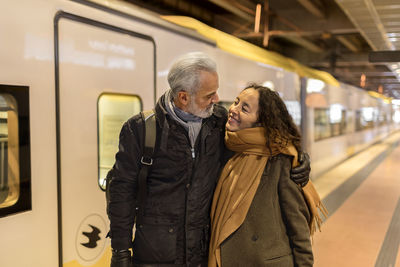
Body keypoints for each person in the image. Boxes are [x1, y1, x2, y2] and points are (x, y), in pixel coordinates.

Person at [108, 52, 311, 267]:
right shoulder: (140, 129)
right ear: (183, 97)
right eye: (209, 95)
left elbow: (261, 141)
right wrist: (120, 252)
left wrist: (297, 158)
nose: (216, 100)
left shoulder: (218, 121)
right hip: (154, 255)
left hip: (203, 254)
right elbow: (122, 192)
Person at [208, 84, 324, 267]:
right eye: (236, 102)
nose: (233, 110)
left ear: (261, 121)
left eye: (244, 108)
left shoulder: (281, 161)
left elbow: (298, 229)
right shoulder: (229, 147)